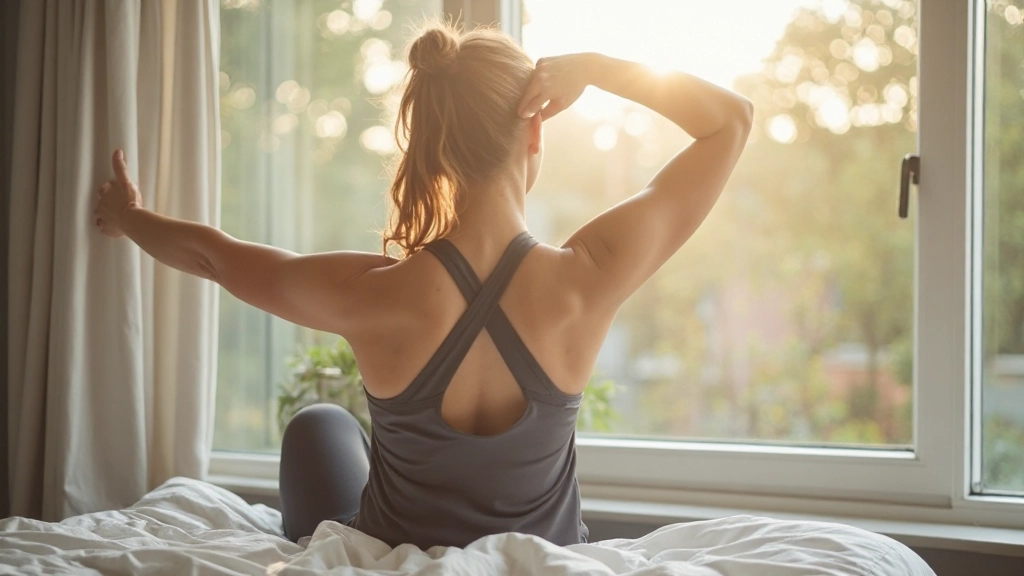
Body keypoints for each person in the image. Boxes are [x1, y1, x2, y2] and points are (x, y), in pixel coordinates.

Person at [93, 22, 752, 550]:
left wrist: (128, 217)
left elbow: (216, 257)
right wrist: (601, 68)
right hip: (545, 546)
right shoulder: (587, 278)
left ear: (434, 148)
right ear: (535, 128)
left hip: (394, 549)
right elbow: (731, 120)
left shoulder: (374, 293)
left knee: (320, 425)